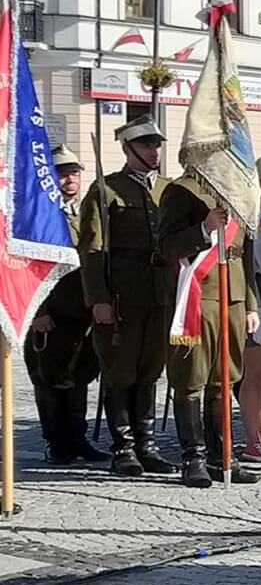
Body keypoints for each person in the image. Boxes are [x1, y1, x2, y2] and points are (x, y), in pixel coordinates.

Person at [77, 119, 177, 477]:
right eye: (147, 145)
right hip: (122, 295)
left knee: (150, 370)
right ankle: (123, 448)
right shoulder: (106, 190)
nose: (154, 151)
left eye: (157, 145)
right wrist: (99, 298)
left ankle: (147, 446)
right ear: (128, 148)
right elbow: (92, 249)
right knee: (120, 370)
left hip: (160, 294)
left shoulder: (169, 189)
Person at [155, 178, 260, 486]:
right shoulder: (182, 190)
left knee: (225, 380)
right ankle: (194, 458)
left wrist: (251, 304)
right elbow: (166, 247)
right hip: (200, 297)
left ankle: (222, 457)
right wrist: (204, 229)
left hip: (233, 297)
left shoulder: (240, 189)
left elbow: (246, 254)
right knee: (191, 378)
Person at [28, 147, 106, 465]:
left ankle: (77, 438)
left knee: (79, 378)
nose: (69, 179)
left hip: (83, 313)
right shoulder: (38, 215)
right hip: (53, 313)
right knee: (49, 380)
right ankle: (56, 442)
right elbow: (27, 267)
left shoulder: (88, 212)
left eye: (73, 172)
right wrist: (39, 312)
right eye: (61, 173)